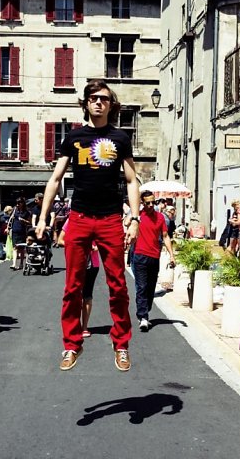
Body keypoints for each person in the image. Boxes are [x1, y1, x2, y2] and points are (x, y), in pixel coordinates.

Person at [35, 79, 140, 372]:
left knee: (118, 285)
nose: (98, 102)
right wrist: (44, 217)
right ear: (85, 103)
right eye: (93, 98)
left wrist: (134, 218)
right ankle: (71, 344)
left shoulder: (120, 138)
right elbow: (55, 179)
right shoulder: (74, 137)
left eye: (104, 98)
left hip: (109, 220)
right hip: (79, 218)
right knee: (73, 286)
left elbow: (132, 180)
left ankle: (121, 344)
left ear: (111, 104)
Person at [131, 190, 176, 332]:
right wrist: (132, 218)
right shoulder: (137, 216)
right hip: (140, 256)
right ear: (142, 203)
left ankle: (145, 310)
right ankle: (143, 317)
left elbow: (165, 236)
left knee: (150, 288)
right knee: (142, 287)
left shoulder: (160, 218)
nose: (151, 205)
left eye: (153, 202)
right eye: (147, 203)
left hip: (154, 257)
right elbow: (126, 223)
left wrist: (171, 255)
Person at [9, 197, 31, 270]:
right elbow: (10, 218)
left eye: (19, 203)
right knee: (15, 247)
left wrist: (23, 220)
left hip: (22, 231)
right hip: (15, 230)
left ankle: (21, 263)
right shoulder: (15, 210)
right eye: (17, 203)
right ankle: (14, 264)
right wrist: (8, 228)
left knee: (21, 249)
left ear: (23, 203)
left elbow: (29, 222)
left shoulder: (26, 212)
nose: (18, 204)